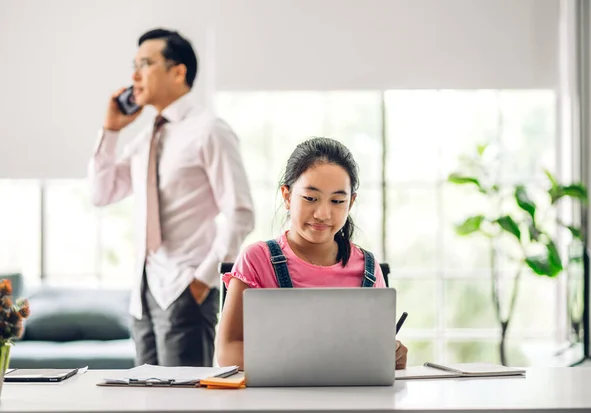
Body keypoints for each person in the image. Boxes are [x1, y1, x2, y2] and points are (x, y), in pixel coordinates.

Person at [89, 28, 254, 367]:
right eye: (133, 65)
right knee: (148, 399)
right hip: (143, 293)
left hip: (185, 288)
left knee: (185, 402)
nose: (134, 75)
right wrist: (110, 130)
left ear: (178, 71)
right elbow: (101, 193)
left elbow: (240, 213)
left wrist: (201, 281)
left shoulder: (210, 130)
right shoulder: (147, 136)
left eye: (145, 64)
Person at [216, 137, 408, 370]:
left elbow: (374, 353)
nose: (323, 213)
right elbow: (227, 351)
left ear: (351, 203)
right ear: (287, 196)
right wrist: (313, 364)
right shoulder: (256, 259)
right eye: (310, 198)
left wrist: (392, 356)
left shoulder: (368, 267)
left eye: (337, 201)